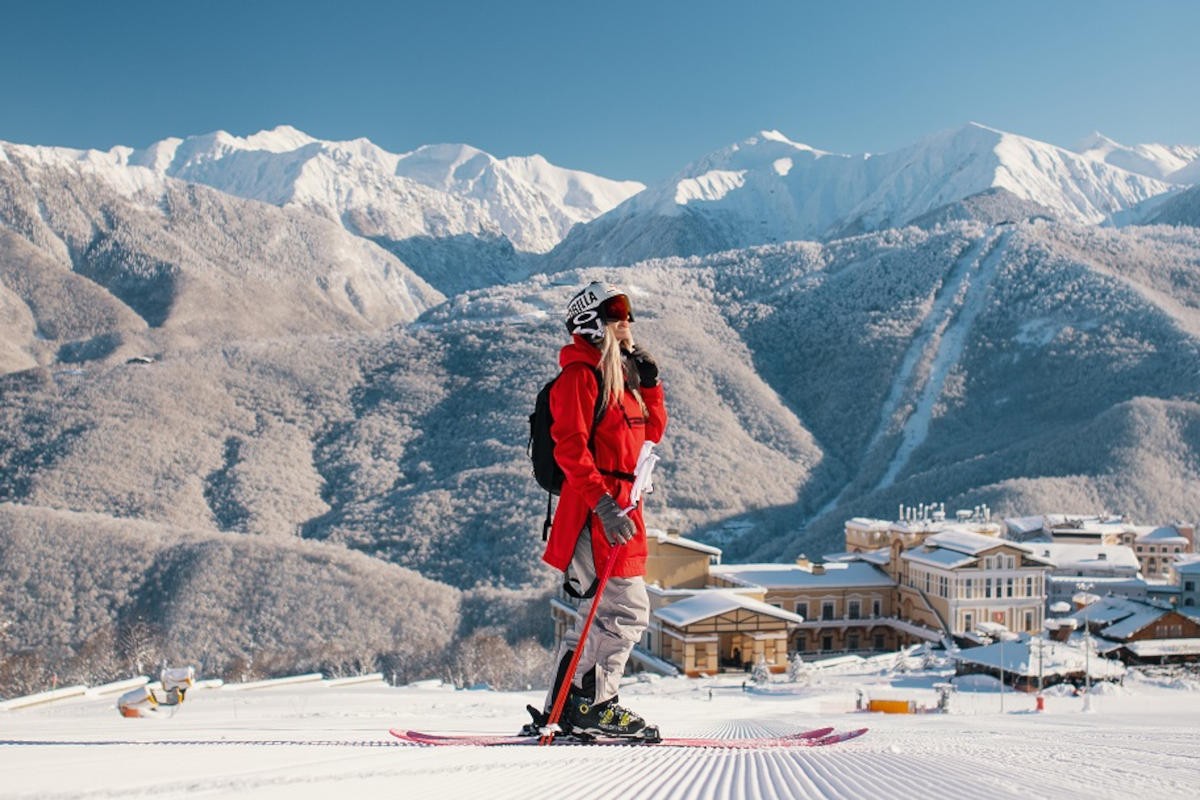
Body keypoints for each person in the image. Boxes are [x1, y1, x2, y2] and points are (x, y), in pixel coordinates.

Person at [536, 281, 667, 738]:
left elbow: (650, 434)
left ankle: (564, 707)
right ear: (590, 321)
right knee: (626, 612)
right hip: (598, 512)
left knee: (598, 615)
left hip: (622, 508)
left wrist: (649, 385)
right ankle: (596, 704)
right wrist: (604, 506)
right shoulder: (579, 377)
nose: (626, 319)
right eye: (616, 311)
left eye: (628, 310)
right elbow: (570, 449)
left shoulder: (621, 376)